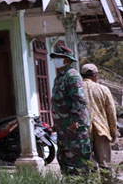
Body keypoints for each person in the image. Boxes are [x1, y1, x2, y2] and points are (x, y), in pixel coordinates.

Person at [51, 45, 91, 175]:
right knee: (64, 159)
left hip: (74, 127)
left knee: (78, 162)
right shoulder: (60, 77)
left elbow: (78, 101)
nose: (55, 60)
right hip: (63, 127)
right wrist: (56, 123)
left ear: (67, 60)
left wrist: (75, 122)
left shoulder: (72, 76)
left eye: (58, 57)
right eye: (55, 57)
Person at [81, 63, 117, 170]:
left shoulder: (76, 89)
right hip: (101, 131)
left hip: (83, 131)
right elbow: (111, 113)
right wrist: (113, 132)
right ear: (95, 75)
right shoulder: (103, 89)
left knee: (87, 165)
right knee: (105, 165)